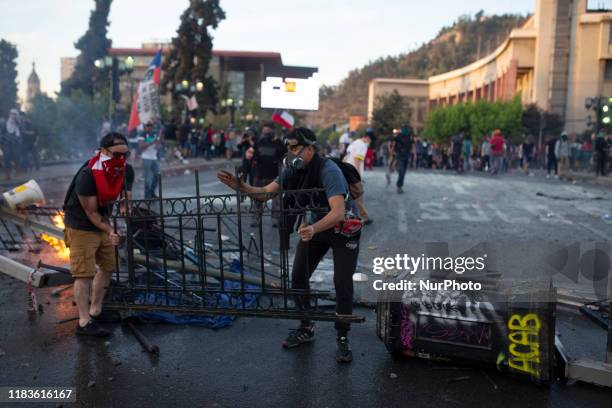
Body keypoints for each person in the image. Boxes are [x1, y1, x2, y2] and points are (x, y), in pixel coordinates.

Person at [217, 127, 361, 363]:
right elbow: (265, 193)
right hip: (317, 226)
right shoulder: (292, 169)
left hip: (343, 229)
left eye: (295, 148)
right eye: (289, 148)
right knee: (298, 276)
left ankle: (343, 337)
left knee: (342, 281)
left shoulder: (329, 170)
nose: (291, 152)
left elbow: (338, 212)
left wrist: (313, 228)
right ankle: (306, 326)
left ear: (310, 148)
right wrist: (240, 187)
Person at [63, 132, 134, 337]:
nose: (120, 160)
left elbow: (125, 199)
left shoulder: (126, 170)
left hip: (102, 221)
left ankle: (96, 310)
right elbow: (91, 213)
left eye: (125, 155)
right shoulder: (87, 175)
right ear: (103, 151)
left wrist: (124, 212)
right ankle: (84, 323)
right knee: (83, 274)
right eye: (115, 155)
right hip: (81, 224)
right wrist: (111, 230)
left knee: (108, 267)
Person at [253, 123, 286, 226]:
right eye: (264, 132)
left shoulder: (279, 143)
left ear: (273, 131)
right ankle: (257, 219)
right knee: (257, 198)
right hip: (260, 175)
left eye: (267, 132)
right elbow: (254, 155)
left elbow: (284, 156)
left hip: (274, 176)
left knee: (276, 200)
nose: (265, 134)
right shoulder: (259, 142)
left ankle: (275, 220)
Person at [344, 131, 372, 224]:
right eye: (370, 140)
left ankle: (350, 216)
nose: (369, 143)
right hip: (353, 173)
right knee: (358, 195)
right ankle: (364, 217)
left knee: (349, 196)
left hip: (346, 171)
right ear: (367, 138)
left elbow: (345, 158)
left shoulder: (353, 144)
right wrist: (358, 176)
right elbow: (357, 159)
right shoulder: (362, 145)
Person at [138, 122, 161, 199]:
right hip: (146, 158)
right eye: (148, 126)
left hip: (154, 158)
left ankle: (152, 192)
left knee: (157, 175)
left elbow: (158, 145)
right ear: (145, 127)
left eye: (151, 126)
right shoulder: (142, 134)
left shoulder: (155, 134)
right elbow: (141, 146)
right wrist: (151, 142)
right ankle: (147, 196)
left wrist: (158, 145)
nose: (149, 127)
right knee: (147, 177)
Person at [393, 125, 413, 194]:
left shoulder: (409, 137)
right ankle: (399, 186)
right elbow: (393, 140)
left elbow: (411, 146)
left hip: (406, 155)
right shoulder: (399, 136)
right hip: (399, 155)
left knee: (403, 172)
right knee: (401, 171)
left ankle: (400, 186)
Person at [3, 109, 22, 180]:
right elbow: (2, 132)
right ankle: (7, 174)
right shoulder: (5, 122)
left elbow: (21, 128)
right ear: (9, 114)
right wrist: (3, 140)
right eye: (12, 113)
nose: (13, 115)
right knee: (6, 159)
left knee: (16, 158)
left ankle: (18, 172)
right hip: (7, 143)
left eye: (14, 114)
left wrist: (17, 120)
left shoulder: (18, 122)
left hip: (16, 143)